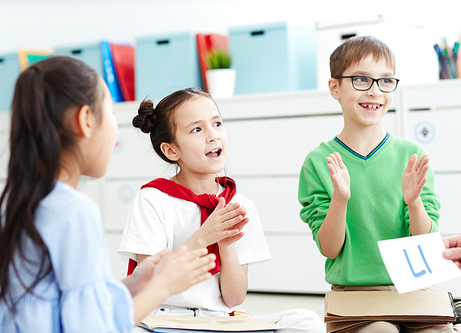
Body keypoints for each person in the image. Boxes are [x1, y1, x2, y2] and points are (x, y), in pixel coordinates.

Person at [0, 56, 216, 333]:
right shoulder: (74, 210)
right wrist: (164, 286)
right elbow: (95, 327)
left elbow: (60, 297)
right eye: (111, 113)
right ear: (86, 120)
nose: (115, 127)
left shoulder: (20, 202)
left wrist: (135, 283)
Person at [118, 87, 325, 333]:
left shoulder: (240, 205)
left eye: (217, 123)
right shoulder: (153, 199)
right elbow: (146, 283)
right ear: (171, 150)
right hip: (162, 319)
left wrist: (226, 244)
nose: (213, 136)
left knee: (305, 321)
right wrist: (204, 237)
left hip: (219, 320)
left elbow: (234, 299)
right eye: (197, 129)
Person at [298, 36, 455, 332]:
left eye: (385, 81)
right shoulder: (319, 162)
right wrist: (340, 199)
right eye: (361, 79)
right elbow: (331, 249)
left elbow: (425, 241)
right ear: (335, 88)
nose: (375, 91)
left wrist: (414, 201)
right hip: (354, 296)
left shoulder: (412, 155)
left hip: (414, 290)